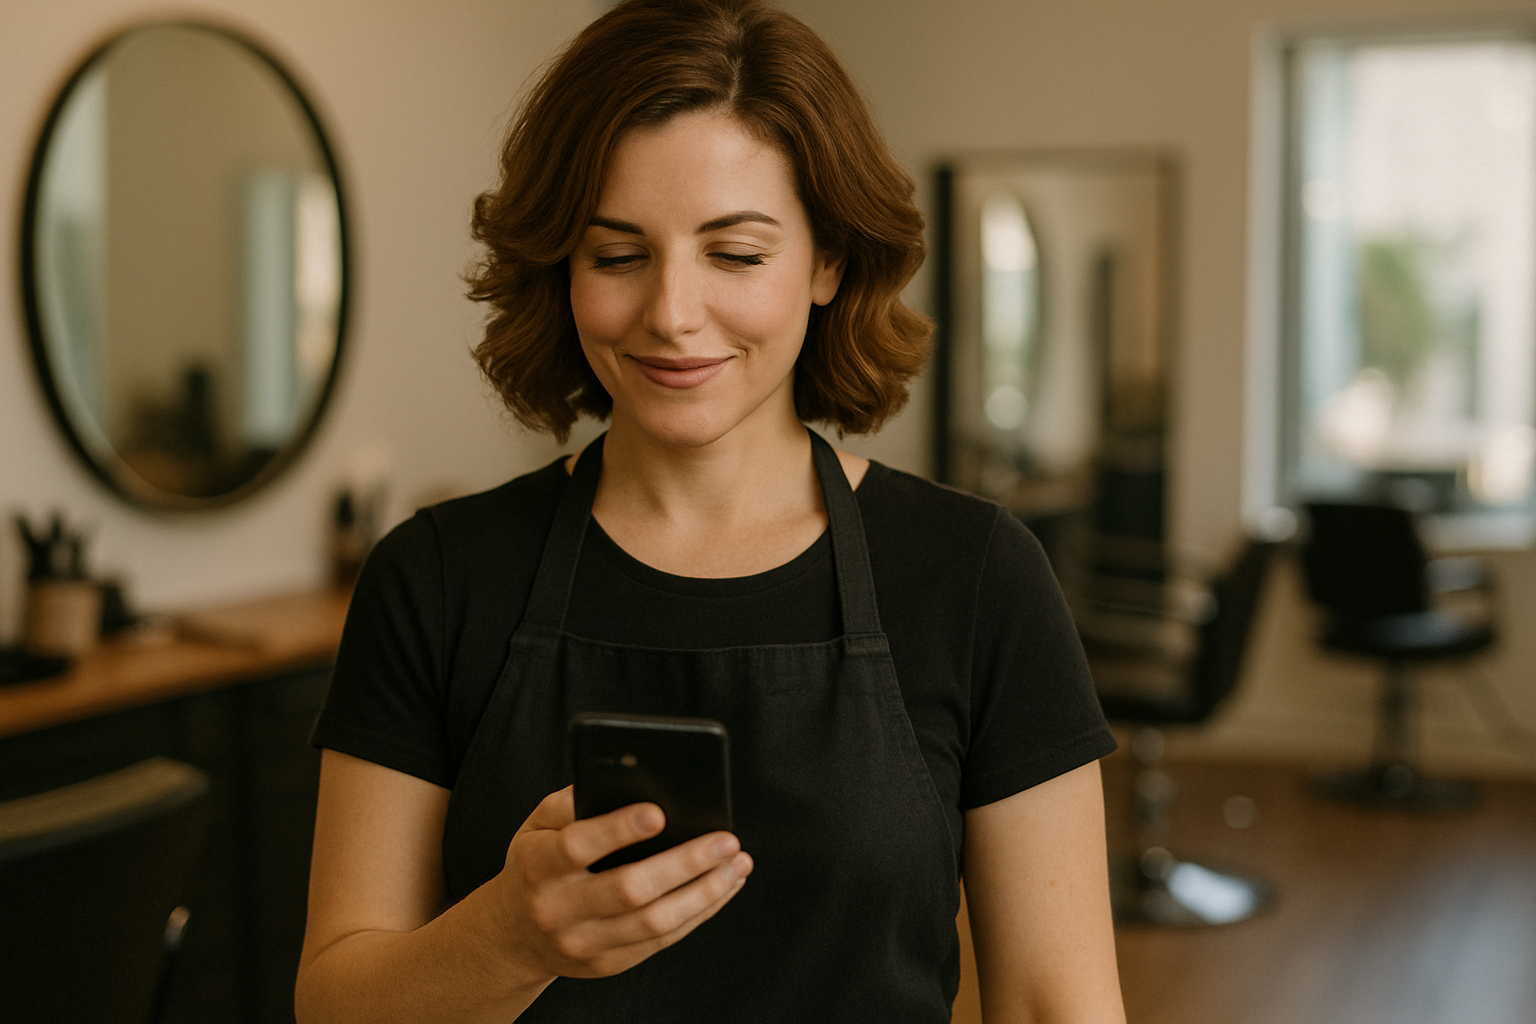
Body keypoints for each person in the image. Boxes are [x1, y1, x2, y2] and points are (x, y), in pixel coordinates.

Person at [296, 1, 1126, 1021]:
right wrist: (508, 935)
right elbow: (335, 1003)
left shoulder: (975, 576)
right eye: (616, 255)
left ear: (827, 263)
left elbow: (1058, 1004)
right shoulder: (434, 578)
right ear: (560, 266)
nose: (672, 313)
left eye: (735, 254)